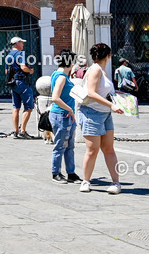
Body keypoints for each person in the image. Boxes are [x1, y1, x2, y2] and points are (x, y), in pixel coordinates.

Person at [77, 43, 125, 194]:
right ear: (108, 56)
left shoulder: (102, 71)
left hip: (104, 114)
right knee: (92, 150)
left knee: (109, 148)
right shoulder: (95, 69)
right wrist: (111, 105)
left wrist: (115, 94)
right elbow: (91, 93)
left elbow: (102, 90)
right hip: (92, 113)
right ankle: (86, 181)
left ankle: (116, 182)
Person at [50, 49, 82, 184]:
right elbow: (55, 98)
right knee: (60, 145)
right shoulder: (62, 77)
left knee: (69, 145)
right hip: (61, 115)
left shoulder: (58, 74)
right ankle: (56, 173)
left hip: (65, 115)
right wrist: (70, 109)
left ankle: (71, 172)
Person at [6, 36, 36, 139]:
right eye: (22, 43)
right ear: (18, 43)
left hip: (13, 83)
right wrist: (30, 71)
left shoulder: (8, 56)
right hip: (21, 82)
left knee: (16, 107)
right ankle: (23, 131)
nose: (23, 44)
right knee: (29, 107)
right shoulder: (21, 54)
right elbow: (23, 67)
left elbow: (6, 72)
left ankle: (16, 131)